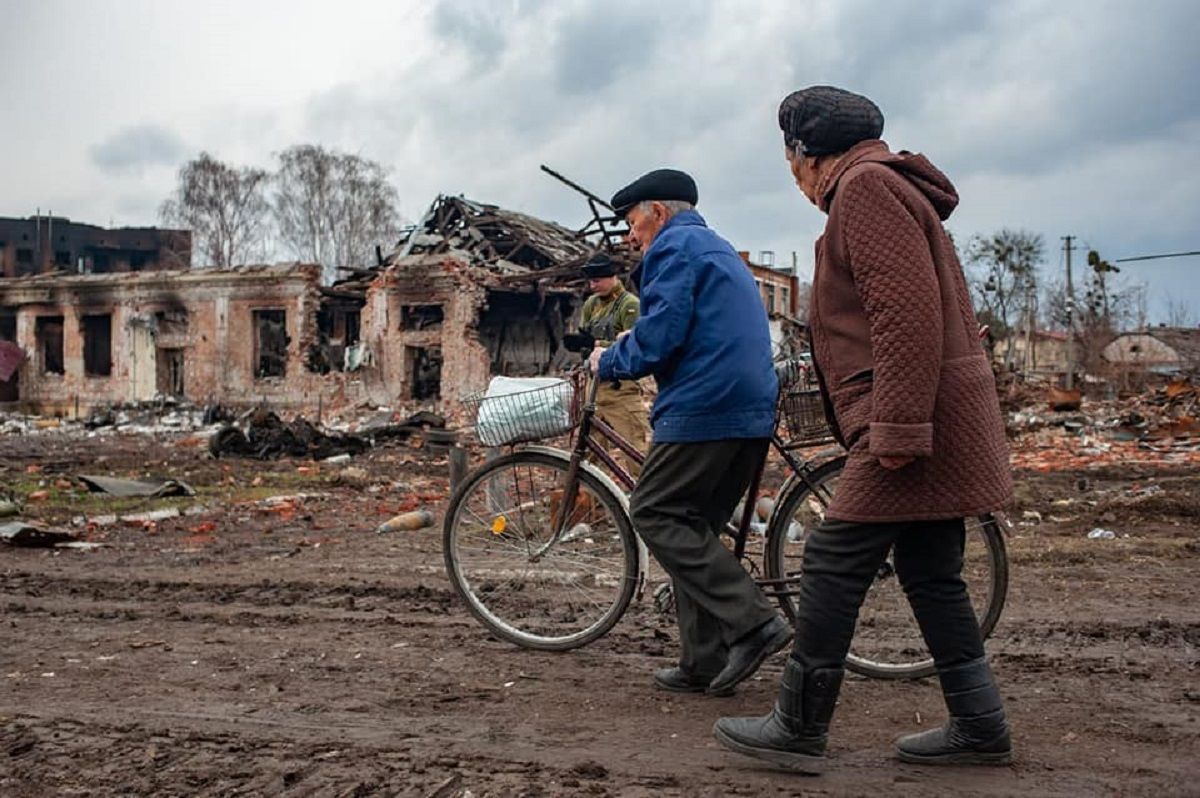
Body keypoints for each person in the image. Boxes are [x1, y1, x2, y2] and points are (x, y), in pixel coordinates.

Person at [713, 86, 1014, 772]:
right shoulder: (884, 186)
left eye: (787, 157)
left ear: (804, 153)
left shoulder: (866, 191)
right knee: (931, 570)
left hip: (909, 419)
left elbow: (904, 317)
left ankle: (798, 723)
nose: (791, 174)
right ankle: (980, 723)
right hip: (928, 415)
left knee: (831, 559)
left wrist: (899, 429)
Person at [588, 169, 791, 697]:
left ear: (656, 211)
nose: (631, 237)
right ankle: (702, 660)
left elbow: (660, 339)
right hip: (749, 406)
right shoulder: (716, 248)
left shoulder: (673, 249)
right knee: (691, 524)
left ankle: (754, 622)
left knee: (653, 510)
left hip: (707, 406)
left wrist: (609, 359)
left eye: (633, 222)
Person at [577, 252, 651, 477]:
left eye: (597, 280)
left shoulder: (630, 305)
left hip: (621, 389)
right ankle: (589, 508)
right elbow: (584, 337)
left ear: (612, 277)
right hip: (594, 389)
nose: (593, 285)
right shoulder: (591, 304)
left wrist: (601, 344)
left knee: (636, 453)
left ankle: (647, 506)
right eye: (590, 281)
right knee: (586, 457)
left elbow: (635, 345)